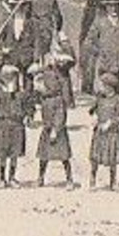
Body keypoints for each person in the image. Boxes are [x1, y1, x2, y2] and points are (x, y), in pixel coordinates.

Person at [33, 54, 77, 188]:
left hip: (57, 130)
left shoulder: (58, 100)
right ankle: (40, 177)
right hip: (47, 128)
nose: (42, 88)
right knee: (43, 157)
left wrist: (56, 129)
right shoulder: (45, 99)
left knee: (64, 157)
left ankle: (69, 179)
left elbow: (61, 115)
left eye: (45, 86)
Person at [0, 64, 31, 188]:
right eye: (8, 77)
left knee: (15, 153)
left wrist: (27, 115)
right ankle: (2, 178)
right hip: (2, 124)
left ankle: (12, 177)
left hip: (17, 125)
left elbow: (28, 107)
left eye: (13, 77)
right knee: (3, 154)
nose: (11, 80)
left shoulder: (20, 94)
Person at [82, 0, 119, 94]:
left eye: (116, 5)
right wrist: (100, 52)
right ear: (106, 7)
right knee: (108, 99)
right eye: (111, 6)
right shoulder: (99, 22)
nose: (114, 9)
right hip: (106, 67)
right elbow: (88, 42)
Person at [88, 70, 119, 191]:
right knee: (95, 157)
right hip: (99, 131)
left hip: (112, 133)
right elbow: (91, 110)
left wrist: (111, 122)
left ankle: (113, 182)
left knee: (112, 159)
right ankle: (92, 180)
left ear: (109, 87)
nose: (100, 87)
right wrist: (94, 117)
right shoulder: (99, 98)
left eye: (102, 85)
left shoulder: (118, 100)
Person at [0, 0, 43, 74]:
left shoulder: (32, 22)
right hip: (11, 61)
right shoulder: (7, 22)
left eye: (23, 6)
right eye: (16, 6)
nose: (19, 8)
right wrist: (3, 49)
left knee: (29, 86)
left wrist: (36, 61)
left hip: (28, 61)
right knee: (11, 85)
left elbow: (37, 42)